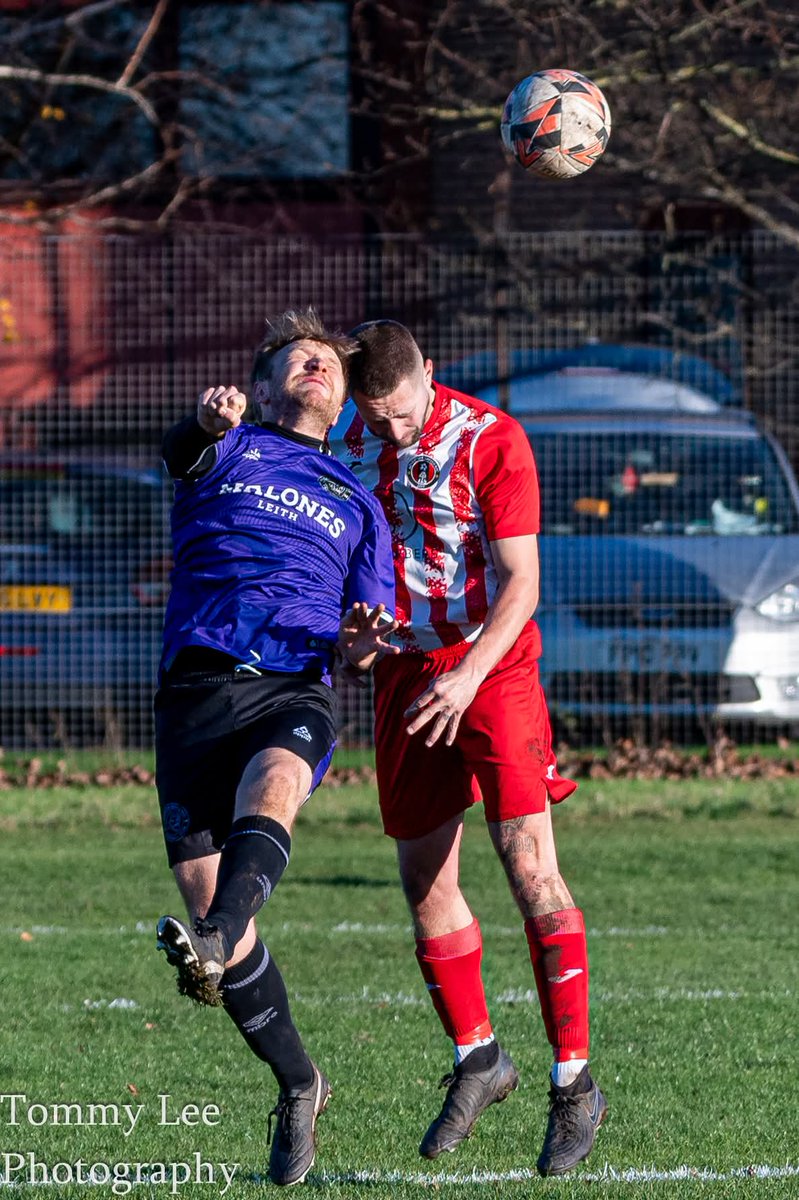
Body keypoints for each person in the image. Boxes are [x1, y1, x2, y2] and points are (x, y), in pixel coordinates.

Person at [329, 320, 606, 1178]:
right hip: (407, 677)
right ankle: (478, 1059)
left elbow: (521, 582)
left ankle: (574, 1081)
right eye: (374, 420)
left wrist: (468, 673)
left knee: (527, 861)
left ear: (429, 377)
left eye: (400, 413)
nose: (391, 431)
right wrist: (359, 639)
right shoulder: (348, 456)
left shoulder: (493, 438)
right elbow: (355, 583)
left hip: (493, 669)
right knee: (422, 879)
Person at [154, 309, 396, 1188]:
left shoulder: (357, 502)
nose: (316, 367)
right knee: (210, 892)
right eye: (298, 360)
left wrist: (365, 636)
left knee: (276, 787)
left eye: (327, 364)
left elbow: (363, 636)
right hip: (192, 688)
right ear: (263, 388)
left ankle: (212, 944)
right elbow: (178, 455)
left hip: (292, 681)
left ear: (340, 405)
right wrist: (204, 424)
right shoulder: (231, 446)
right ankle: (300, 1083)